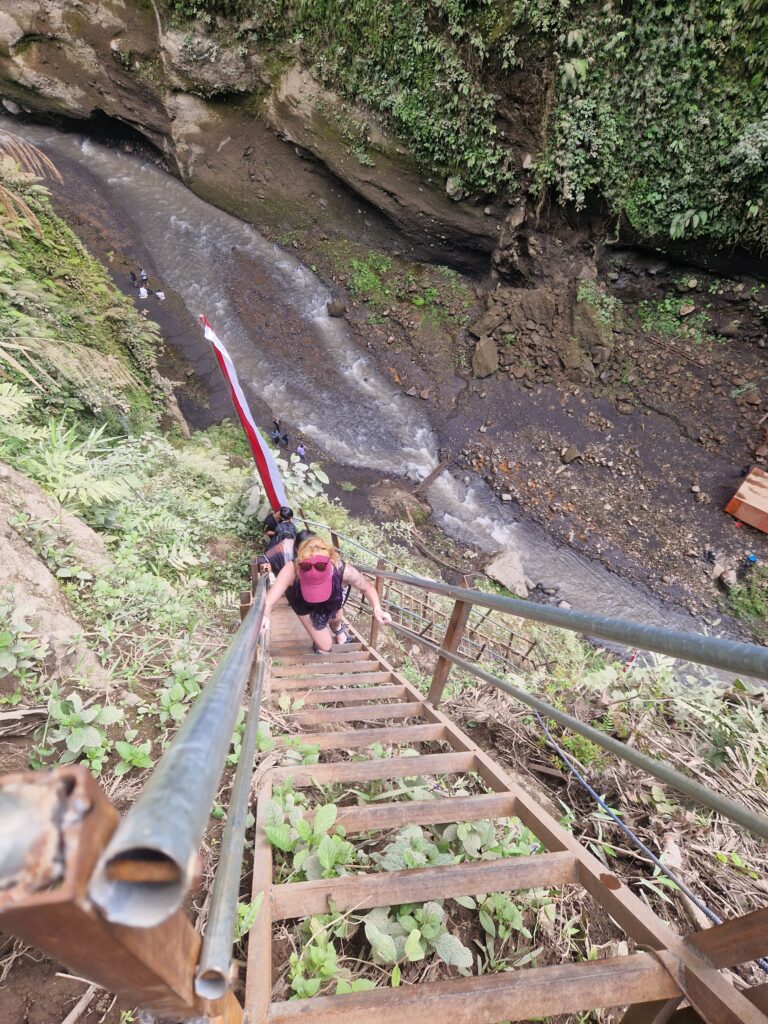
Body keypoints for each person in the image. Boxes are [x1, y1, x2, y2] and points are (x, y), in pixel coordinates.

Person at [263, 535, 391, 653]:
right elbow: (271, 597)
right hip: (301, 598)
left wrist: (377, 608)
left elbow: (367, 588)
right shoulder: (292, 570)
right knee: (325, 646)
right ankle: (318, 633)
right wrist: (264, 616)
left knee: (336, 617)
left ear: (332, 566)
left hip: (330, 596)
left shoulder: (345, 572)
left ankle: (337, 627)